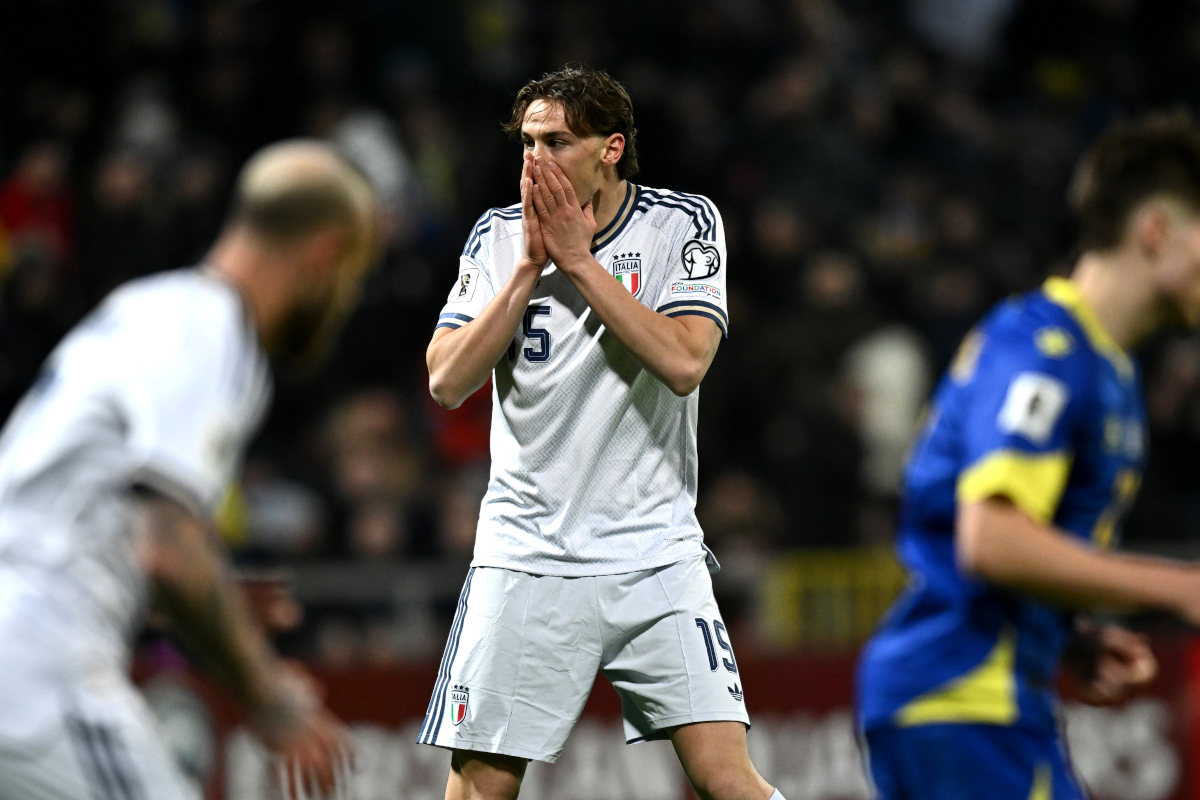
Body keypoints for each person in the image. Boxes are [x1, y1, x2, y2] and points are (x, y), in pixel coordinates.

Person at [421, 65, 782, 800]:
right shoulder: (496, 238)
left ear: (609, 149)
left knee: (725, 777)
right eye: (526, 143)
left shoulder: (679, 224)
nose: (534, 161)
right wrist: (527, 269)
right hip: (527, 554)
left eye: (555, 141)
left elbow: (684, 362)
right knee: (481, 787)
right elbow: (446, 380)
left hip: (654, 550)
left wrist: (579, 263)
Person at [0, 140, 379, 800]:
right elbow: (166, 543)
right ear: (323, 256)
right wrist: (268, 696)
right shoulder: (214, 330)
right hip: (37, 664)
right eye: (348, 281)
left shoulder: (149, 308)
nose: (342, 304)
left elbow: (97, 525)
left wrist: (214, 604)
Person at [857, 112, 1200, 799]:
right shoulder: (1044, 351)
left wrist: (1065, 631)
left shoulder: (1108, 371)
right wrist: (1181, 588)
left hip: (992, 699)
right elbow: (992, 540)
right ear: (1156, 232)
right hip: (958, 698)